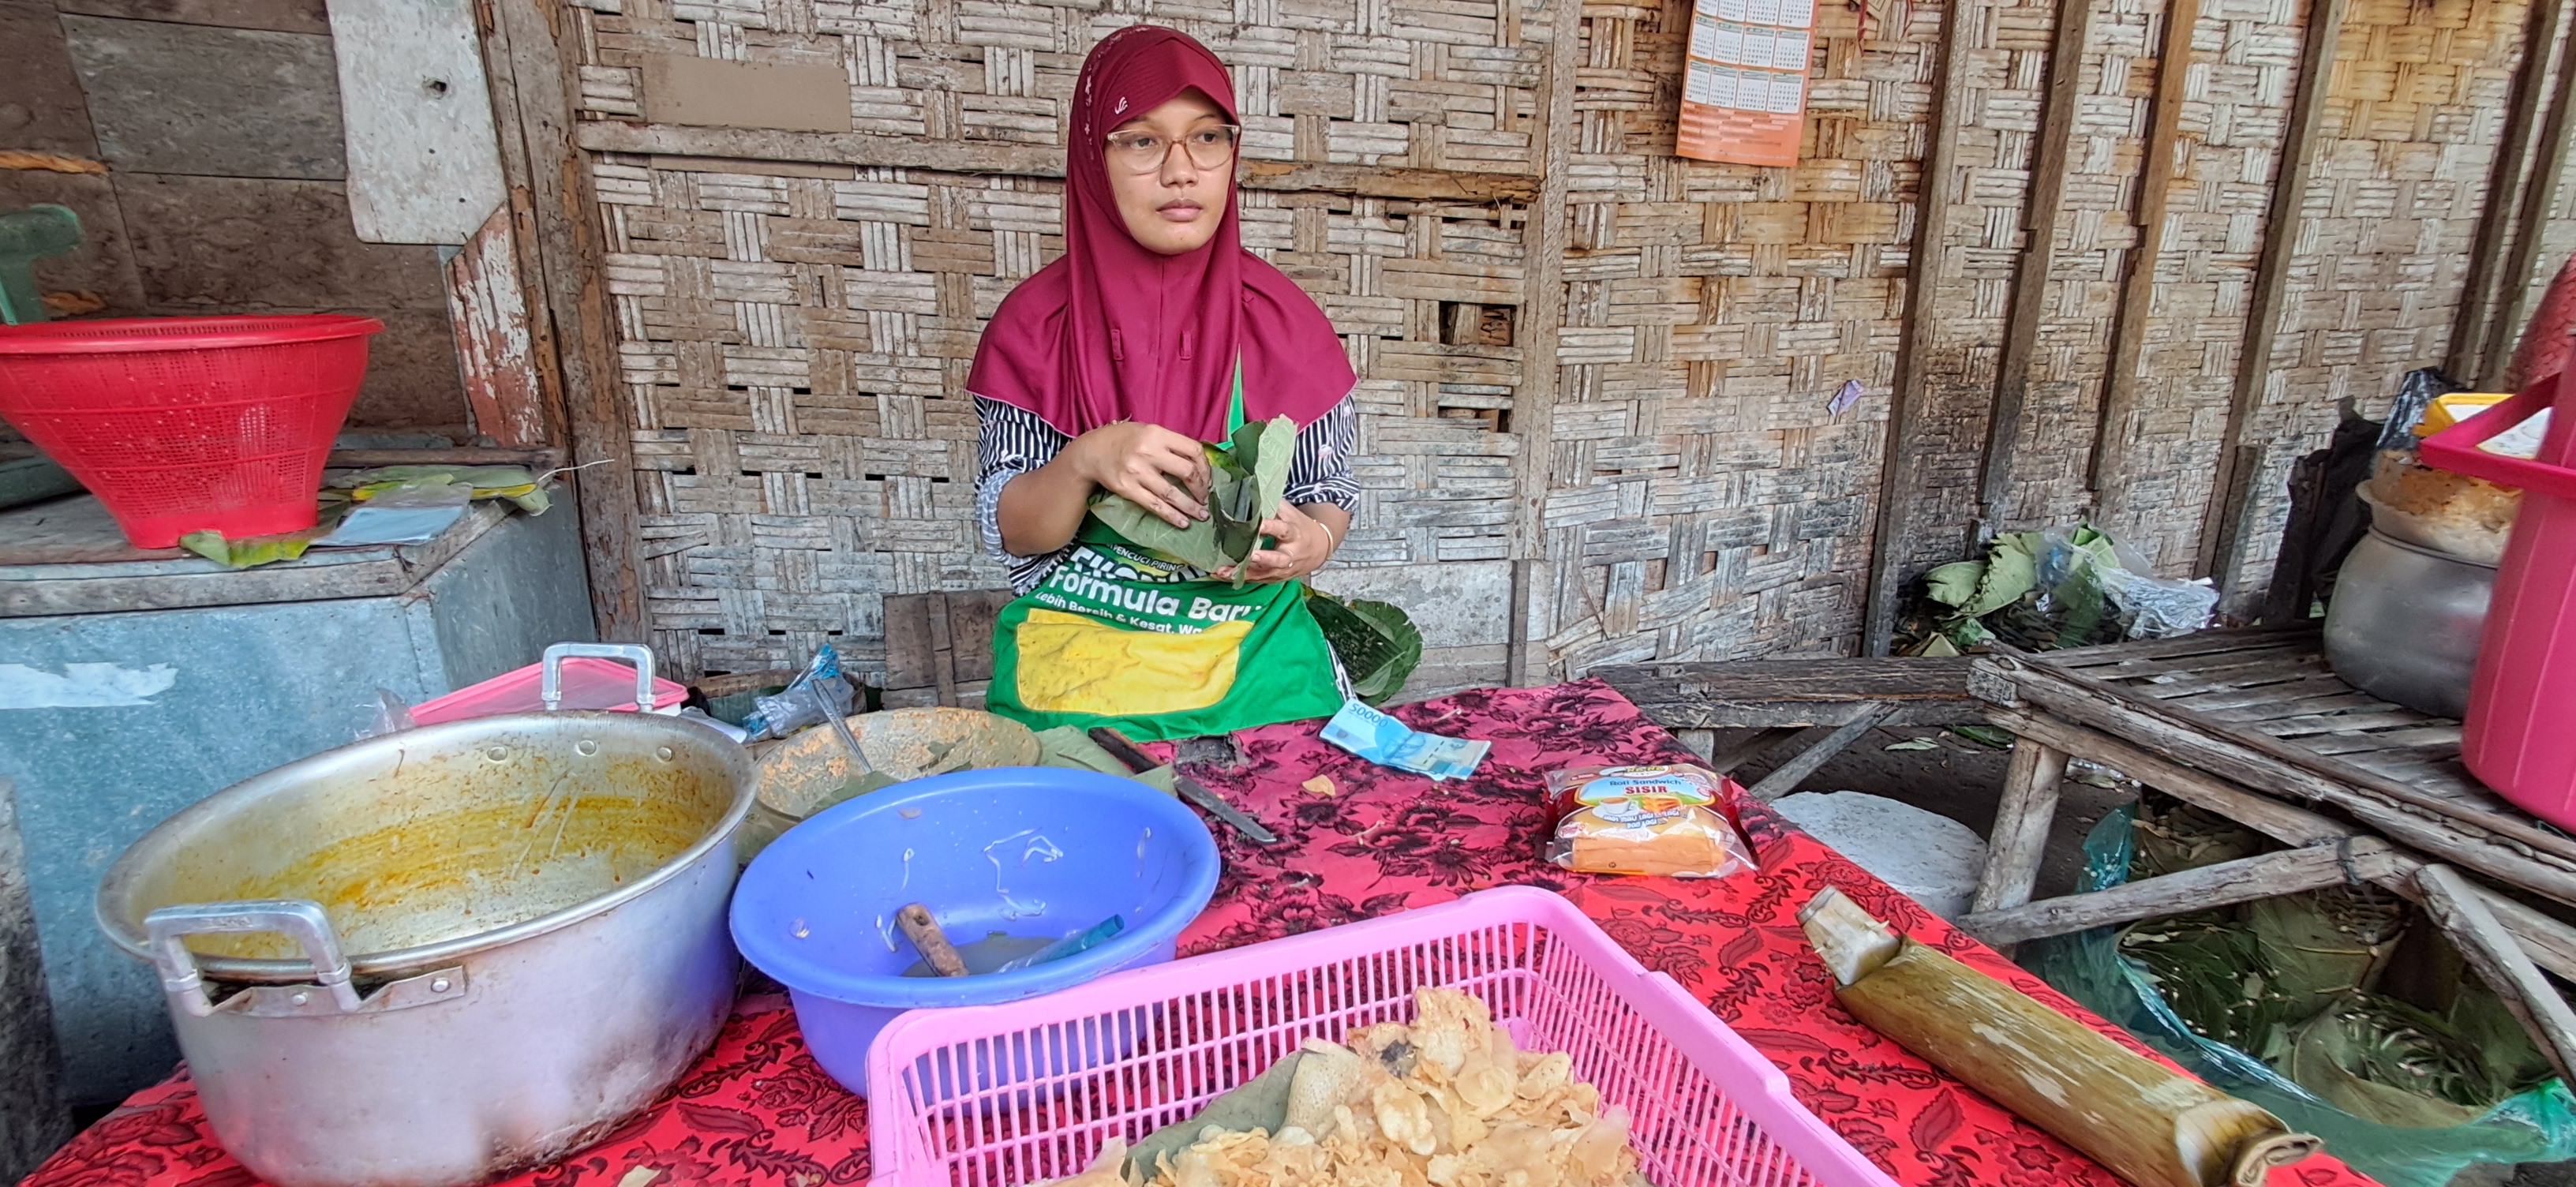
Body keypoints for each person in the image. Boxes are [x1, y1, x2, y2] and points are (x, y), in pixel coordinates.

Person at [972, 24, 1360, 743]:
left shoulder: (1286, 322)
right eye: (1142, 140)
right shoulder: (1036, 325)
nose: (1182, 171)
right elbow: (1018, 534)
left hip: (1257, 678)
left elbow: (1326, 492)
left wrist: (1314, 544)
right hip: (1082, 678)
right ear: (1095, 156)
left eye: (1208, 138)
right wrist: (1088, 458)